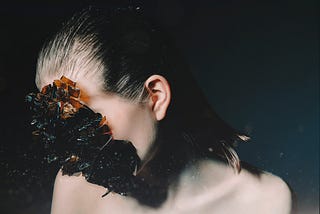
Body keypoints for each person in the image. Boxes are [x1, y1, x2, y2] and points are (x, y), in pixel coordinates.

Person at [33, 6, 293, 214]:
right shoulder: (74, 189)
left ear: (156, 97)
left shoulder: (265, 201)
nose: (72, 155)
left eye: (83, 118)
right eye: (60, 122)